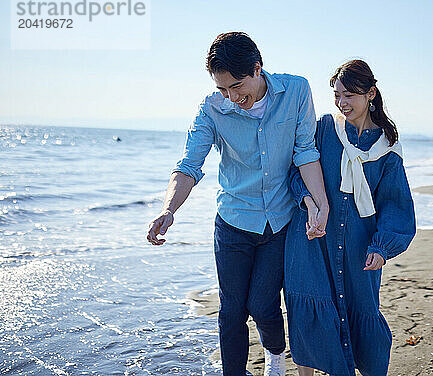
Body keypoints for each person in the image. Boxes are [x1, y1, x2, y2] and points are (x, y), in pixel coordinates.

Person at [146, 32, 329, 376]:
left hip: (280, 221)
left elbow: (305, 151)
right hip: (233, 222)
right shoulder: (212, 109)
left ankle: (275, 358)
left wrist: (320, 205)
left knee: (262, 304)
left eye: (236, 86)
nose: (231, 97)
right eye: (222, 89)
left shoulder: (296, 91)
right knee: (231, 310)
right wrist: (168, 210)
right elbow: (189, 165)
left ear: (257, 69)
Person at [284, 60, 416, 376]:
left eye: (350, 95)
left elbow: (395, 206)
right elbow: (294, 170)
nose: (342, 103)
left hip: (360, 247)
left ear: (371, 94)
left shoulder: (387, 149)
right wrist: (310, 203)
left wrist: (382, 247)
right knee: (310, 309)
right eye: (337, 95)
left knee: (363, 312)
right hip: (312, 239)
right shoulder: (324, 129)